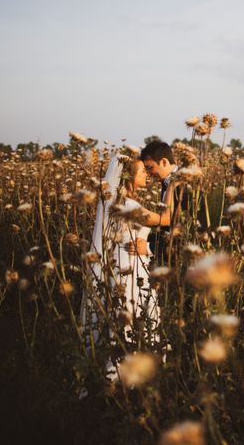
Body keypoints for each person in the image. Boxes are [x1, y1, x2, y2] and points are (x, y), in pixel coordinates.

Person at [80, 154, 166, 382]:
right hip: (131, 270)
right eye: (142, 172)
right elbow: (166, 220)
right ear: (128, 177)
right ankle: (130, 375)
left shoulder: (118, 203)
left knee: (125, 318)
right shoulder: (129, 206)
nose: (146, 175)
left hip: (121, 266)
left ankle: (118, 371)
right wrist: (174, 187)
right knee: (134, 317)